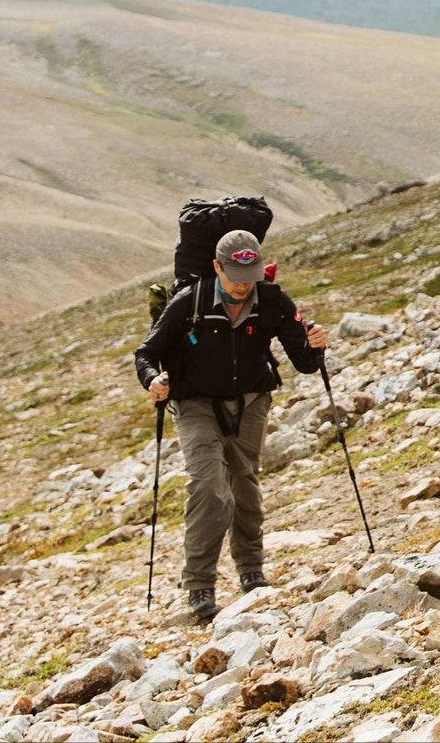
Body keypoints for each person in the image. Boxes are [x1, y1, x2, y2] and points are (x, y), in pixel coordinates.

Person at [134, 229, 329, 623]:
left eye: (251, 274)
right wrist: (153, 380)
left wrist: (317, 345)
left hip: (252, 401)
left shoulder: (273, 300)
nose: (243, 285)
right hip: (194, 403)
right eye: (236, 276)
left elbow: (305, 364)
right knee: (208, 486)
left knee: (244, 482)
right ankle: (199, 584)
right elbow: (147, 353)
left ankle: (251, 571)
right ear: (216, 267)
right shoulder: (190, 301)